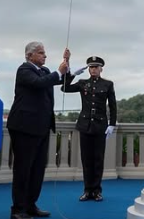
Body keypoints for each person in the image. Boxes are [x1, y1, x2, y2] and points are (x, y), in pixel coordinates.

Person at [7, 42, 69, 219]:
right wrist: (59, 71)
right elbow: (39, 84)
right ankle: (18, 209)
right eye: (41, 53)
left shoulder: (45, 71)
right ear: (29, 55)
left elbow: (61, 80)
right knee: (23, 169)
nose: (45, 56)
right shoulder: (24, 69)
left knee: (37, 169)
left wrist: (67, 63)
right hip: (24, 127)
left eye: (44, 53)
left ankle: (30, 204)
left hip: (41, 126)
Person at [62, 56, 117, 202]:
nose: (93, 69)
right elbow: (64, 88)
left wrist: (112, 124)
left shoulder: (107, 84)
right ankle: (87, 190)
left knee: (98, 159)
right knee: (86, 160)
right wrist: (72, 74)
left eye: (96, 67)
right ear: (89, 69)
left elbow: (112, 105)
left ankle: (97, 191)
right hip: (85, 125)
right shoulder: (82, 83)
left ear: (101, 69)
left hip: (100, 126)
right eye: (91, 67)